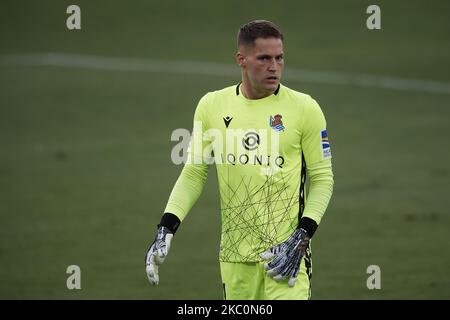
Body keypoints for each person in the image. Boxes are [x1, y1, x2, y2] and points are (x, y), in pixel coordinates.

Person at [145, 20, 334, 300]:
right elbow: (194, 173)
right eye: (264, 58)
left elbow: (322, 179)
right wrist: (166, 227)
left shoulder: (305, 109)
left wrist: (302, 237)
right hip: (234, 259)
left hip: (285, 259)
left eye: (279, 58)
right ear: (241, 60)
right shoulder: (212, 106)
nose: (274, 66)